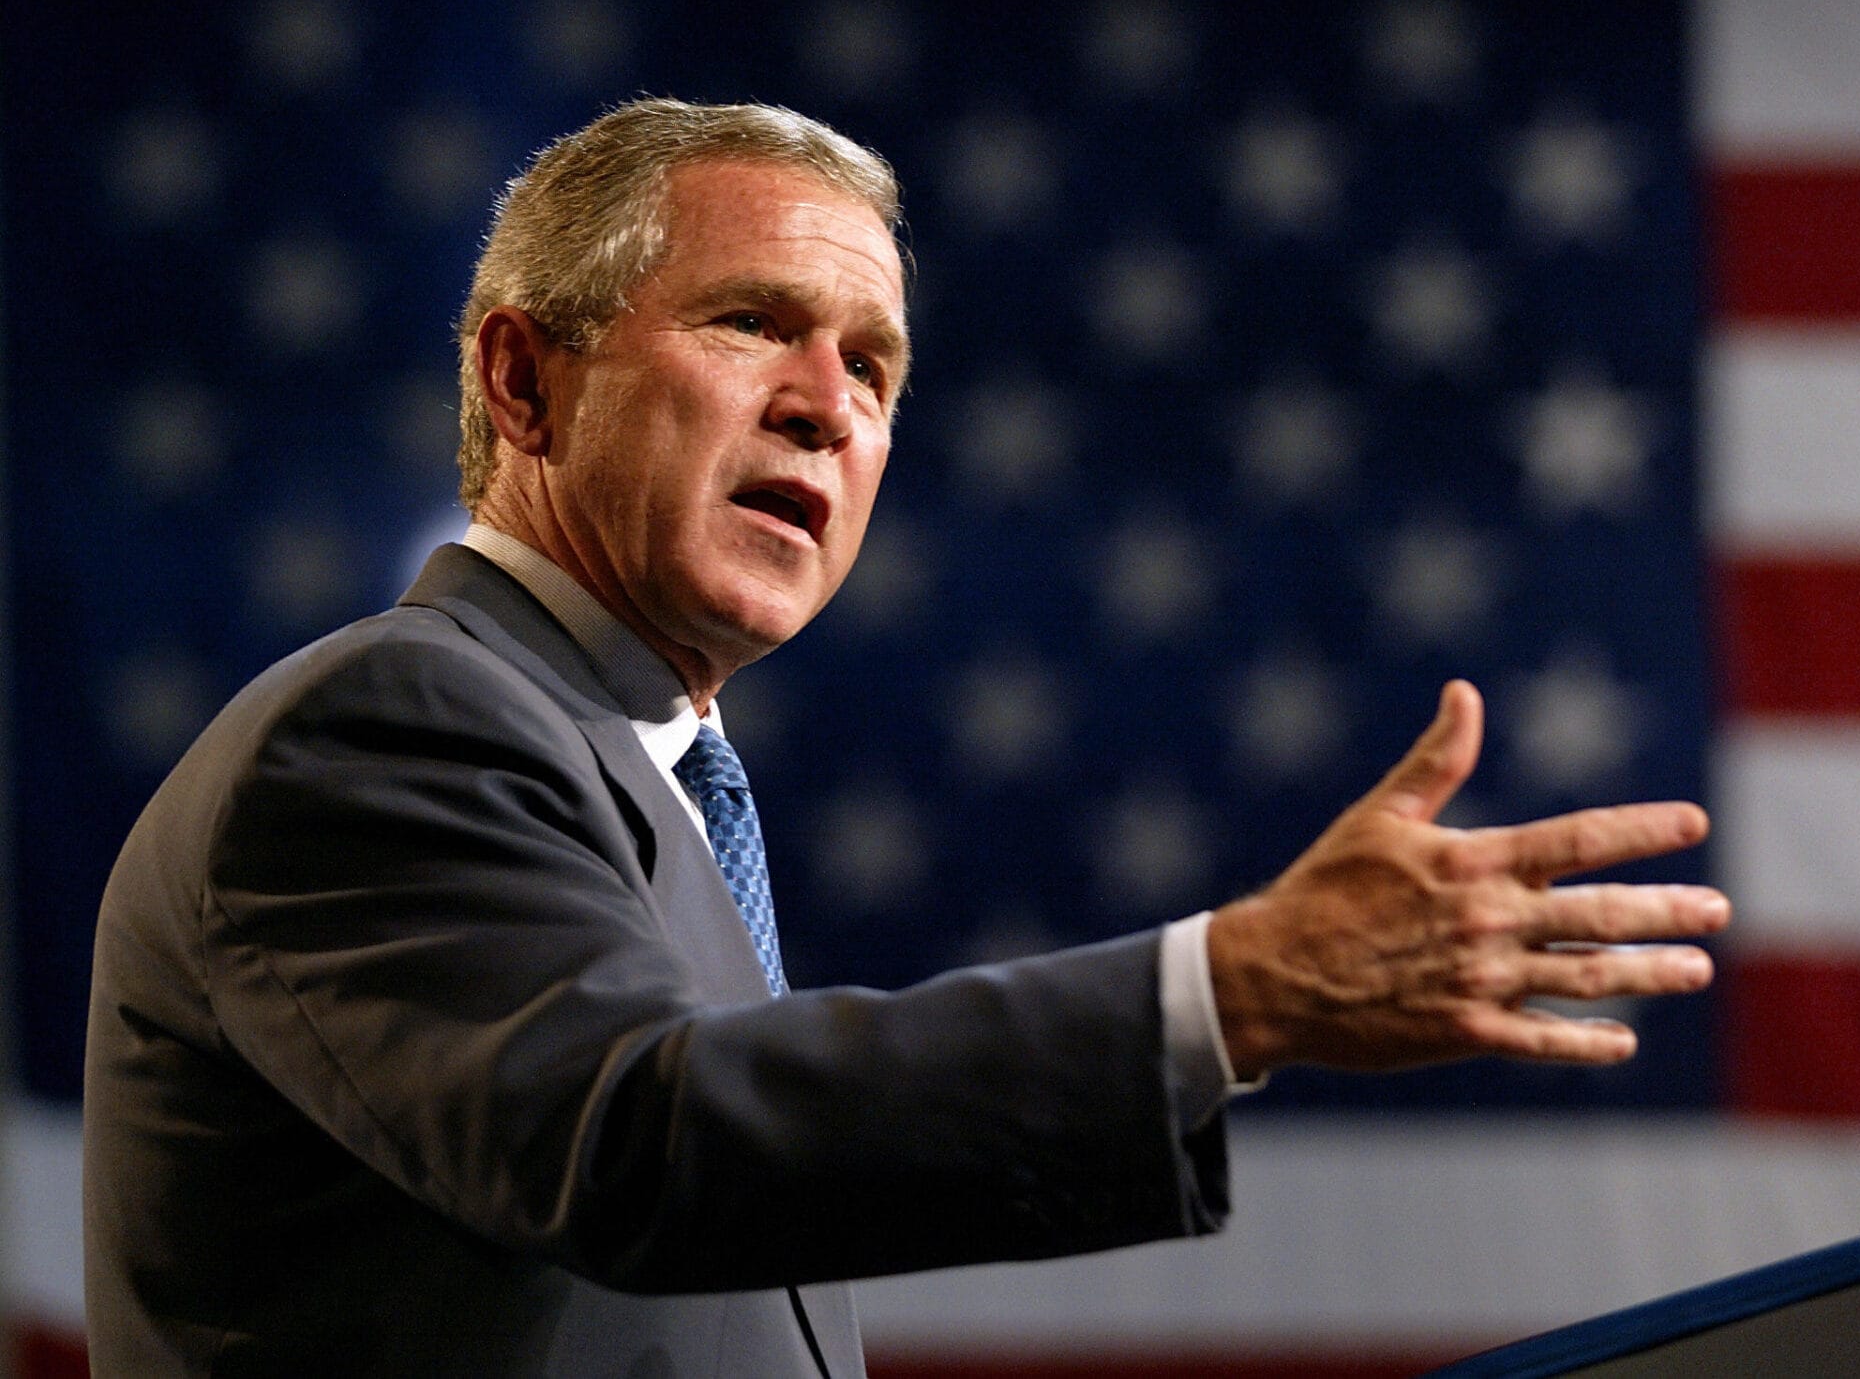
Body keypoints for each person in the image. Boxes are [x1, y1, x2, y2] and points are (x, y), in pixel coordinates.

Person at [81, 98, 1729, 1378]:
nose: (831, 402)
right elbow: (649, 1141)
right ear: (524, 382)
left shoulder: (645, 784)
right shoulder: (390, 723)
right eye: (750, 323)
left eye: (873, 363)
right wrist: (1226, 992)